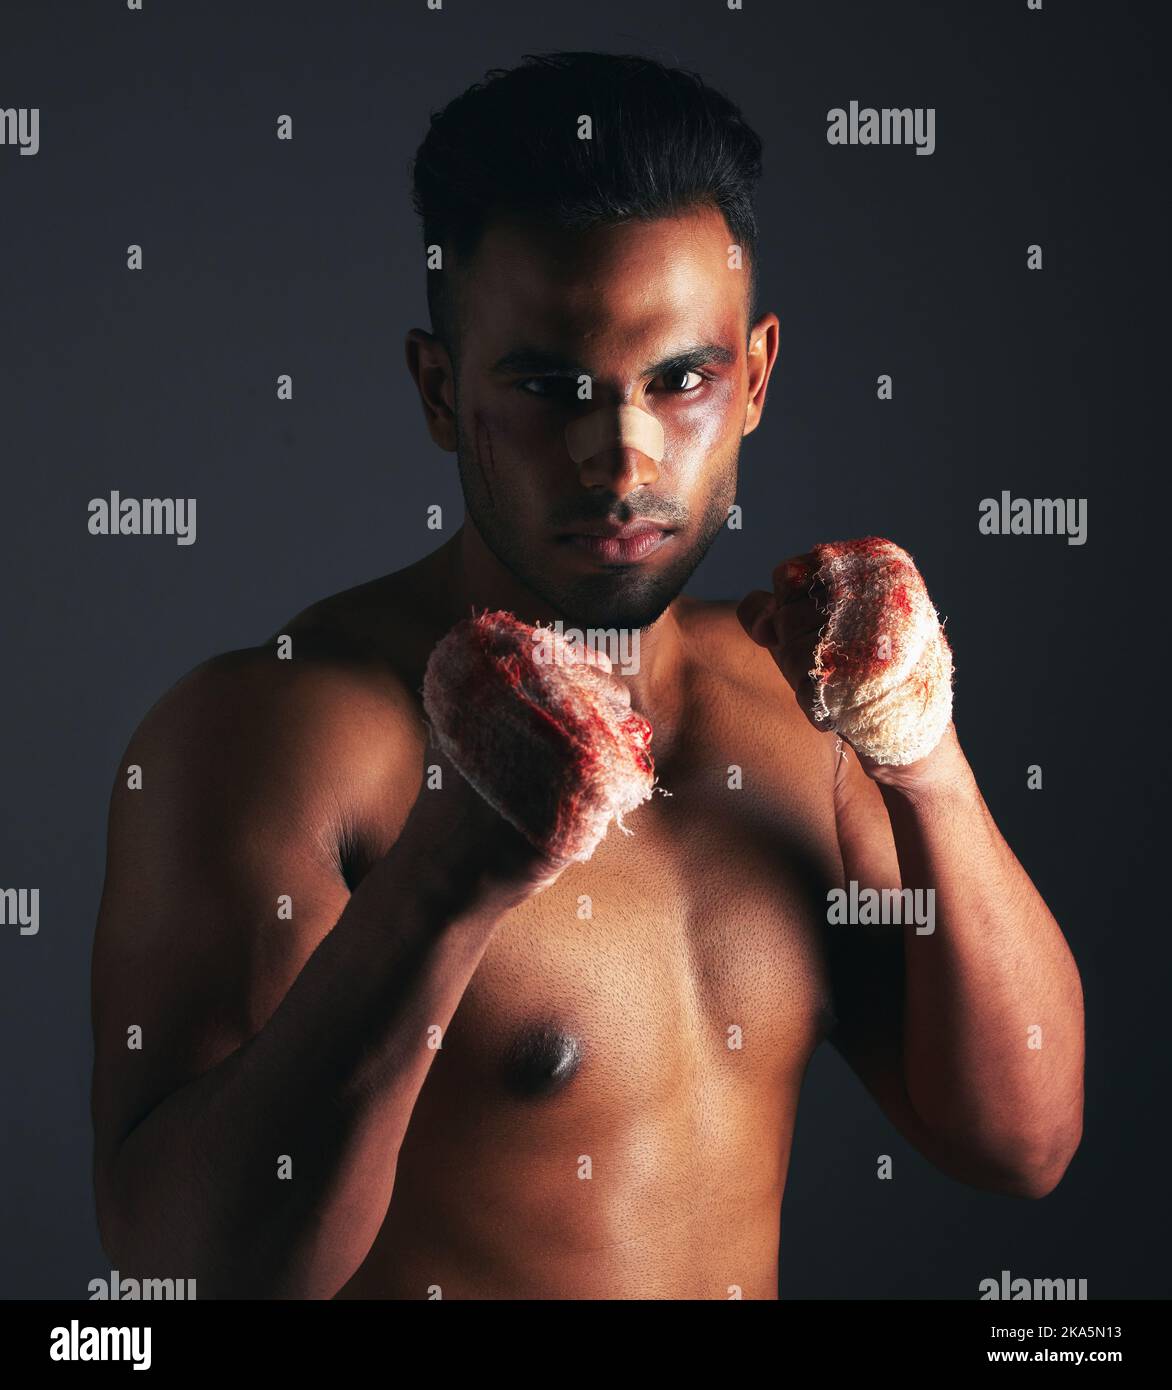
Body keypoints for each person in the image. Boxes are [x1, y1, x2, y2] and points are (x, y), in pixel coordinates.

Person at [91, 52, 1084, 1300]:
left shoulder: (801, 707)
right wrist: (446, 876)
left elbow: (1021, 1142)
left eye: (680, 381)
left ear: (756, 380)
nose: (619, 458)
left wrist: (920, 752)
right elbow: (190, 1273)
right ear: (441, 391)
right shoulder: (276, 731)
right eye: (552, 388)